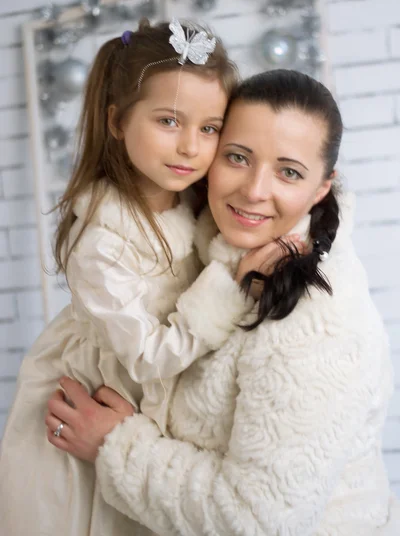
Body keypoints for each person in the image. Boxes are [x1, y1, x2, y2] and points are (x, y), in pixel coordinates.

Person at [47, 69, 399, 535]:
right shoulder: (216, 255)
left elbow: (258, 521)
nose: (254, 190)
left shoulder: (315, 320)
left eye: (288, 172)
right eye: (237, 157)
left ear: (321, 188)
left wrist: (117, 444)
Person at [0, 18, 253, 536]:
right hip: (105, 389)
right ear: (117, 121)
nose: (190, 147)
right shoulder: (100, 238)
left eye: (209, 128)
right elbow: (146, 357)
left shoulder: (194, 205)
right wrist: (229, 285)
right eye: (168, 121)